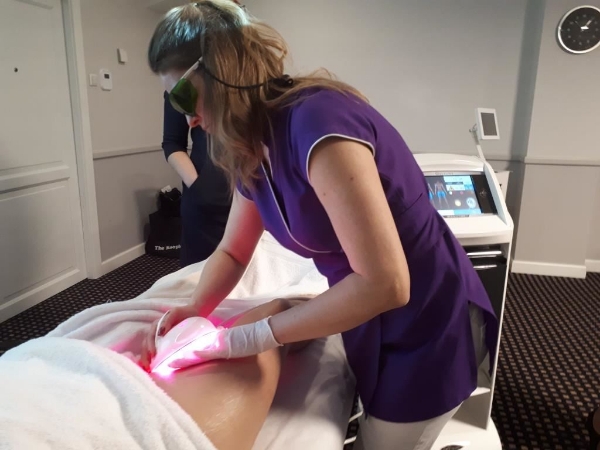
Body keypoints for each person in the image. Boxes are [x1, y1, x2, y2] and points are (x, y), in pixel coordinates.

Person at [141, 2, 496, 449]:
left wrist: (249, 337)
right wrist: (197, 308)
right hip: (363, 312)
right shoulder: (252, 145)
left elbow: (386, 283)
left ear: (221, 70)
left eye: (183, 97)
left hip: (425, 319)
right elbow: (233, 251)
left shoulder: (317, 121)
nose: (188, 119)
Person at [162, 90, 231, 266]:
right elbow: (172, 142)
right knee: (197, 272)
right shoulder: (180, 89)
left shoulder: (257, 82)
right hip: (204, 197)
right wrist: (197, 185)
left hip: (255, 197)